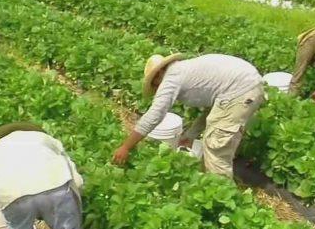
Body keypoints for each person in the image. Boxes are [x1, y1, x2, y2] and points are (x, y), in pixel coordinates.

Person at [112, 54, 264, 178]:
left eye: (155, 85)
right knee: (219, 137)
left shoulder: (171, 78)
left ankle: (221, 199)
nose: (158, 89)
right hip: (248, 86)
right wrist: (190, 135)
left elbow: (155, 114)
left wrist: (126, 146)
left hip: (241, 90)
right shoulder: (183, 70)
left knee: (215, 147)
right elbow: (213, 111)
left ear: (158, 74)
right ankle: (215, 178)